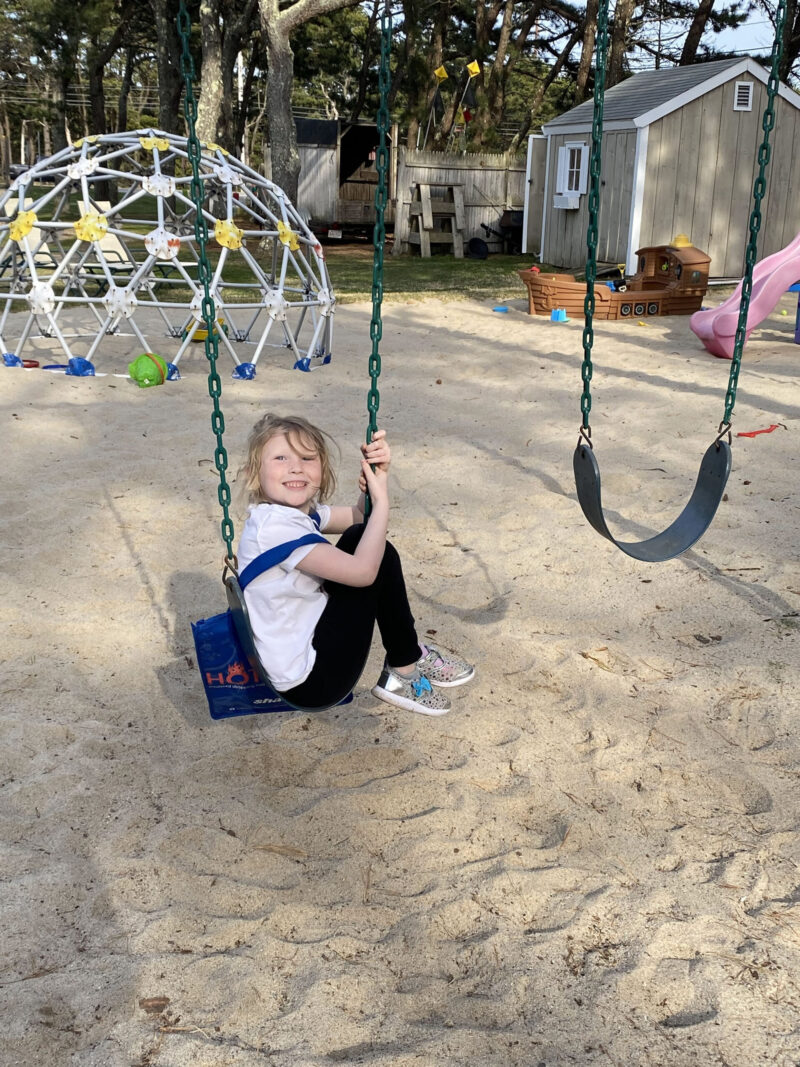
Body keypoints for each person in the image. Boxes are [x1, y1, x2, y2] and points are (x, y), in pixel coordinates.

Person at [237, 413, 474, 716]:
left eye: (308, 458)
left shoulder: (285, 515)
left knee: (360, 536)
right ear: (252, 473)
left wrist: (378, 482)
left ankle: (408, 656)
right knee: (377, 554)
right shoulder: (274, 529)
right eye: (281, 458)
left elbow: (359, 517)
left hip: (308, 649)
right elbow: (363, 573)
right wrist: (383, 504)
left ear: (322, 470)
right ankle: (405, 668)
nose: (296, 467)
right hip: (311, 681)